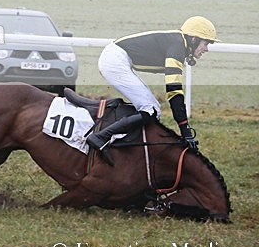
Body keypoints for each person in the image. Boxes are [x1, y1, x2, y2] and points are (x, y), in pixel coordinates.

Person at [88, 16, 219, 165]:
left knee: (153, 109)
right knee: (150, 109)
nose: (207, 49)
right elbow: (174, 92)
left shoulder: (178, 43)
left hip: (117, 57)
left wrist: (185, 130)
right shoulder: (177, 48)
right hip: (115, 60)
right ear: (194, 39)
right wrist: (185, 132)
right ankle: (102, 137)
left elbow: (174, 92)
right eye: (206, 43)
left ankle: (120, 143)